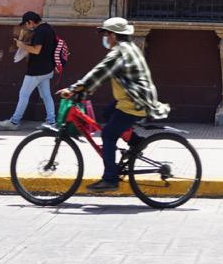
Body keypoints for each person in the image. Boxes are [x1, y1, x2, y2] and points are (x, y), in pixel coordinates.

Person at [58, 17, 170, 191]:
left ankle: (110, 179)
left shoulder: (119, 52)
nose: (105, 38)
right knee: (108, 114)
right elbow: (104, 76)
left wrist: (74, 89)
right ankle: (136, 142)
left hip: (135, 103)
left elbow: (99, 73)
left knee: (108, 135)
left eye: (106, 34)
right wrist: (84, 92)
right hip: (134, 99)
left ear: (113, 35)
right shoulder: (129, 48)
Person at [0, 11, 57, 130]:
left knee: (24, 94)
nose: (26, 27)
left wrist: (21, 45)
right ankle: (51, 121)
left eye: (26, 24)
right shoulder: (48, 28)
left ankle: (14, 122)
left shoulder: (39, 31)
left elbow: (36, 50)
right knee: (46, 95)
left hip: (36, 70)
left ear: (30, 22)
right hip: (48, 68)